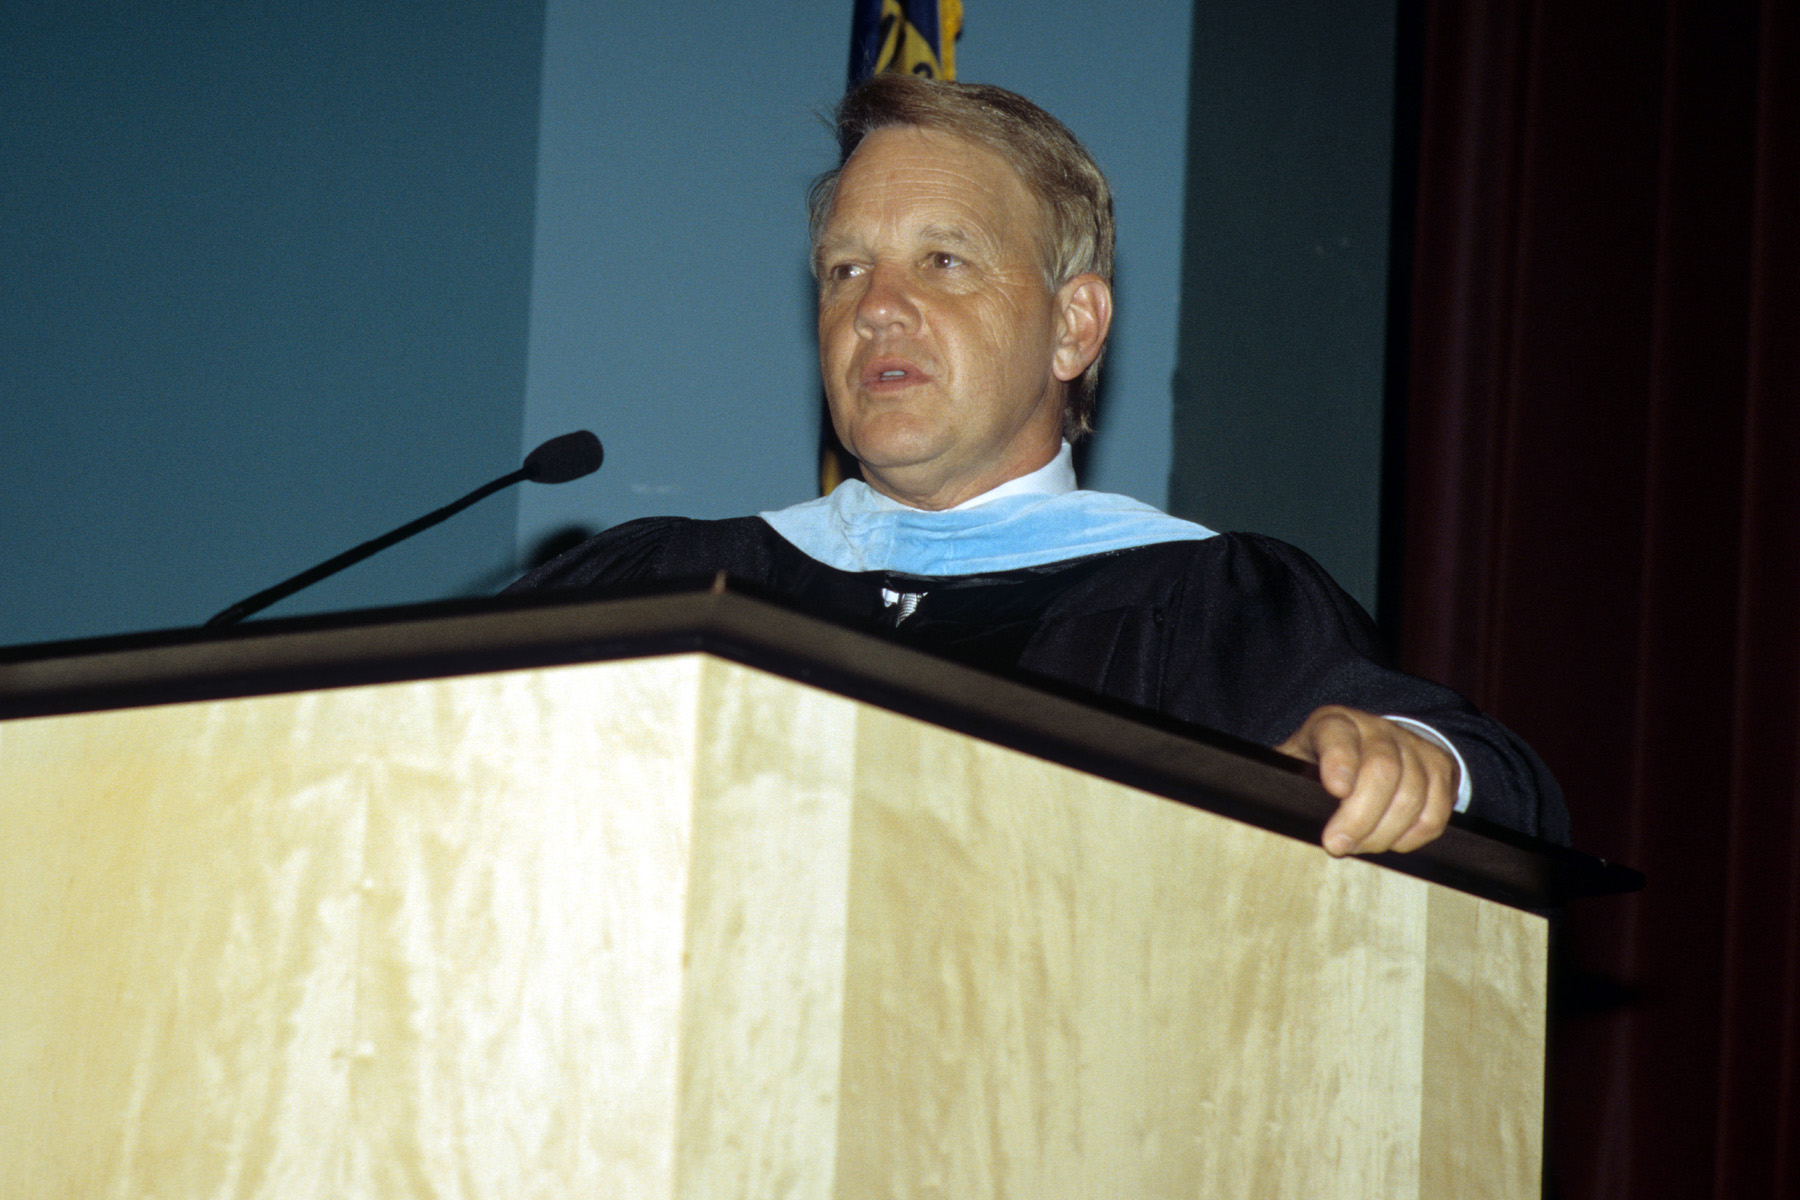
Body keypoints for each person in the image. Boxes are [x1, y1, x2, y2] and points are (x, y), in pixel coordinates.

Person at [507, 75, 1569, 852]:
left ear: (1074, 327)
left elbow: (1489, 781)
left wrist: (1404, 759)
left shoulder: (1198, 604)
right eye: (846, 270)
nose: (877, 308)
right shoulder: (666, 582)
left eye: (943, 260)